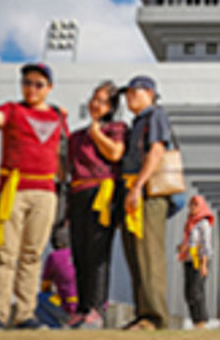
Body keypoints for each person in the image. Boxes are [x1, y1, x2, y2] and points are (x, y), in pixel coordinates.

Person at [0, 62, 68, 331]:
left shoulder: (58, 116)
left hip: (46, 192)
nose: (32, 88)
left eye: (38, 84)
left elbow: (60, 154)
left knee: (32, 255)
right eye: (27, 83)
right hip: (14, 190)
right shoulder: (12, 109)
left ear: (49, 88)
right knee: (7, 254)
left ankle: (25, 315)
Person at [68, 81, 127, 329]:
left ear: (111, 106)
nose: (95, 104)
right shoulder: (76, 136)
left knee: (98, 253)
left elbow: (115, 154)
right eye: (94, 98)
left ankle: (96, 307)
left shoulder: (116, 128)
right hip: (77, 193)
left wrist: (95, 130)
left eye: (102, 100)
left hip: (101, 193)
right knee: (79, 253)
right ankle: (81, 308)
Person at [119, 75, 172, 330]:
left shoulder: (156, 115)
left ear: (149, 93)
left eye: (134, 92)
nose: (129, 97)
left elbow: (157, 150)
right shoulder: (136, 122)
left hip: (148, 192)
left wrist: (138, 186)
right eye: (127, 93)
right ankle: (143, 314)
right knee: (135, 255)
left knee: (149, 255)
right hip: (134, 191)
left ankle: (155, 316)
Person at [178, 194, 215, 328]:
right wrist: (181, 247)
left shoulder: (203, 224)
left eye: (195, 205)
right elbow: (188, 242)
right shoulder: (189, 222)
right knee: (187, 292)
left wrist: (204, 265)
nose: (192, 207)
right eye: (191, 204)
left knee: (196, 291)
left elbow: (206, 245)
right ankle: (195, 321)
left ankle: (201, 320)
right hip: (188, 259)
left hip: (199, 260)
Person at [36, 225, 79, 328]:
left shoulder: (54, 257)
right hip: (85, 308)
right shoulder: (81, 253)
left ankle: (55, 328)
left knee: (37, 300)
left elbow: (45, 285)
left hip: (66, 306)